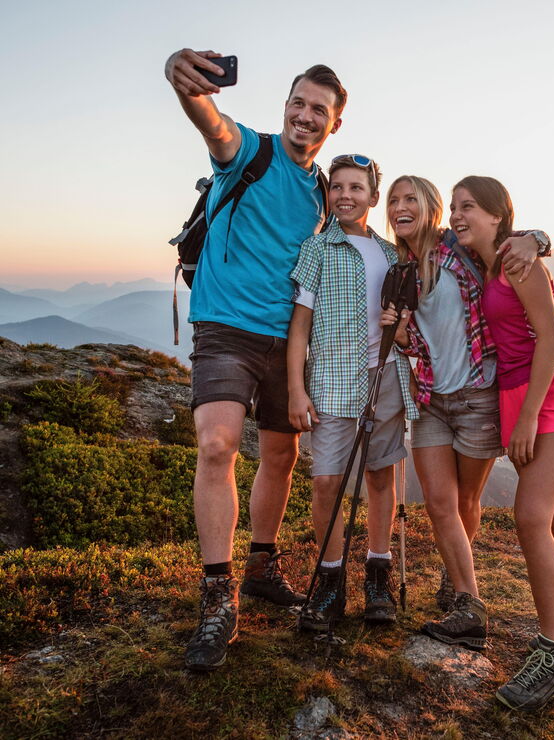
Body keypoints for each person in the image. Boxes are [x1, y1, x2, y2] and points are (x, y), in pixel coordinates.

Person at [164, 48, 345, 671]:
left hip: (289, 340)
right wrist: (182, 80)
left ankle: (262, 564)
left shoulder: (324, 191)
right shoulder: (251, 151)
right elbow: (211, 123)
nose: (304, 115)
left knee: (281, 454)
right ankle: (219, 597)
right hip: (225, 329)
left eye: (318, 110)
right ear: (285, 108)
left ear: (333, 125)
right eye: (298, 103)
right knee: (216, 445)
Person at [450, 175, 554, 712]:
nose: (456, 215)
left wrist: (529, 416)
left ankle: (550, 657)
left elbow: (553, 335)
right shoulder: (486, 259)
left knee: (530, 515)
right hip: (517, 392)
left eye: (467, 207)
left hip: (551, 391)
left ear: (497, 215)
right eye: (453, 207)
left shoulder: (518, 260)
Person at [380, 176, 547, 650]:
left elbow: (511, 237)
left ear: (431, 208)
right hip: (433, 399)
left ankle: (456, 579)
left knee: (467, 502)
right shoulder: (401, 266)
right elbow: (411, 338)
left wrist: (537, 240)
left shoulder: (460, 249)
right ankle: (469, 605)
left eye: (411, 198)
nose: (400, 207)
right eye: (394, 200)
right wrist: (399, 334)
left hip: (477, 395)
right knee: (439, 504)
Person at [287, 155, 418, 632]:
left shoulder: (392, 254)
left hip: (385, 378)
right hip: (331, 383)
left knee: (381, 476)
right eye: (336, 187)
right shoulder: (317, 249)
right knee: (328, 482)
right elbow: (298, 327)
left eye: (356, 187)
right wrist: (296, 389)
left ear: (372, 196)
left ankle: (377, 575)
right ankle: (329, 581)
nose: (345, 195)